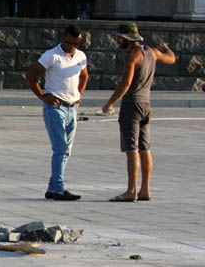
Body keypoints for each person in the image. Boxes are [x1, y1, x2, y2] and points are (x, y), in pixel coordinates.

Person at [98, 23, 177, 202]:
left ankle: (131, 191)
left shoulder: (133, 55)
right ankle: (145, 190)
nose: (117, 40)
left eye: (119, 37)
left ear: (127, 38)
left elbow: (125, 84)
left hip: (131, 104)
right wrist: (166, 48)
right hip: (146, 104)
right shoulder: (151, 52)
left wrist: (109, 104)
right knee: (145, 148)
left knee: (131, 149)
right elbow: (172, 59)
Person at [23, 24, 89, 201]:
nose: (73, 47)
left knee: (66, 150)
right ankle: (58, 187)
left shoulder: (81, 56)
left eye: (76, 43)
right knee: (60, 148)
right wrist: (43, 96)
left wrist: (78, 94)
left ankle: (53, 187)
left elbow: (84, 76)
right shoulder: (51, 56)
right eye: (70, 43)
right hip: (55, 108)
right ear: (63, 38)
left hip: (72, 107)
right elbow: (31, 75)